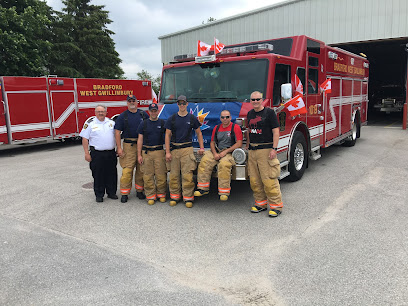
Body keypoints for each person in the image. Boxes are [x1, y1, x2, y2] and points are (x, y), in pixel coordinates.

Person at [246, 91, 283, 217]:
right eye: (253, 99)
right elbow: (249, 131)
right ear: (250, 101)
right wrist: (248, 146)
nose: (255, 101)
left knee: (269, 179)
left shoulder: (269, 113)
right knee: (254, 180)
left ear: (262, 100)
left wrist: (274, 148)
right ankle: (260, 203)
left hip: (266, 150)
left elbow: (276, 131)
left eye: (257, 99)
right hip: (252, 151)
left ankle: (276, 206)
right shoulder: (250, 114)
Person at [165, 95, 205, 208]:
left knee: (187, 175)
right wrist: (167, 152)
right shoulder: (172, 119)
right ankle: (174, 197)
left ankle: (188, 198)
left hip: (187, 150)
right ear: (177, 104)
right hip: (174, 150)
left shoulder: (192, 118)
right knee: (174, 175)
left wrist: (202, 147)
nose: (182, 105)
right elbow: (167, 135)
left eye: (184, 103)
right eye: (180, 103)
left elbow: (199, 133)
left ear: (187, 104)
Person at [194, 110, 243, 201]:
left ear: (230, 118)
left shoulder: (235, 127)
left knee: (224, 165)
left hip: (229, 152)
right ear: (220, 118)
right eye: (223, 117)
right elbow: (212, 142)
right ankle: (203, 188)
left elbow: (239, 143)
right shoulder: (217, 128)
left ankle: (224, 192)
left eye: (227, 117)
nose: (225, 119)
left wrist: (225, 152)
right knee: (205, 161)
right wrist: (215, 153)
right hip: (217, 150)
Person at [80, 105, 117, 203]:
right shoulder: (90, 124)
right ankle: (99, 194)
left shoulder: (111, 123)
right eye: (99, 111)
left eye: (103, 111)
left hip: (111, 153)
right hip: (97, 154)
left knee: (112, 173)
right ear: (95, 112)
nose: (101, 113)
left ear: (106, 112)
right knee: (98, 174)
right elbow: (84, 138)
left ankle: (111, 192)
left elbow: (116, 136)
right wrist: (86, 153)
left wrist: (119, 148)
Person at [114, 95, 147, 203]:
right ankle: (124, 193)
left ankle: (139, 190)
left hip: (141, 145)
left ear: (137, 102)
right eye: (130, 101)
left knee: (141, 170)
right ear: (127, 103)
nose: (132, 102)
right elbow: (117, 132)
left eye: (134, 101)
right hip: (129, 146)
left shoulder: (143, 114)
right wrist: (119, 148)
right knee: (127, 170)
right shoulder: (123, 116)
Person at [137, 103, 167, 205]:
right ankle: (150, 195)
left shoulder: (163, 123)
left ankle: (161, 194)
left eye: (155, 111)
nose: (153, 113)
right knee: (147, 175)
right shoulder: (143, 124)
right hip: (147, 152)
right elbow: (140, 140)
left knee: (161, 174)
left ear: (157, 111)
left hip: (159, 152)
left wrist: (167, 152)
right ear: (149, 112)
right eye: (152, 111)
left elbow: (168, 137)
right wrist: (139, 155)